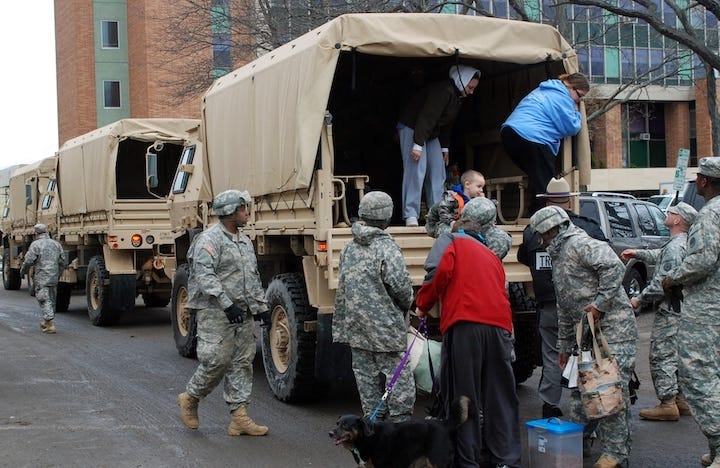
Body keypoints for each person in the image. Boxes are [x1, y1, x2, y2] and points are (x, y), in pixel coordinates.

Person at [416, 197, 521, 468]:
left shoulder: (452, 242)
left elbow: (439, 274)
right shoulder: (490, 252)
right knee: (500, 395)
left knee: (464, 395)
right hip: (499, 327)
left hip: (465, 326)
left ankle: (468, 460)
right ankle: (505, 459)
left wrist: (422, 306)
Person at [529, 206, 637, 468]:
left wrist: (600, 304)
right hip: (586, 335)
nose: (541, 241)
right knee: (582, 393)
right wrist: (565, 347)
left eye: (542, 235)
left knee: (609, 392)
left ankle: (616, 453)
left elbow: (613, 267)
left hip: (613, 331)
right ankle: (577, 442)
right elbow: (565, 307)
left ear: (552, 230)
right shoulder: (559, 256)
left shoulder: (580, 244)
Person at [177, 189, 270, 437]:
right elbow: (204, 276)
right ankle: (190, 397)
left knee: (242, 363)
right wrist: (226, 304)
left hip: (243, 312)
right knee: (216, 361)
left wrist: (261, 308)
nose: (247, 214)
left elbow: (252, 277)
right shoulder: (209, 240)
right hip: (217, 311)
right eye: (243, 209)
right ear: (230, 212)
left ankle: (239, 417)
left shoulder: (244, 240)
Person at [517, 177, 606, 419]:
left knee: (551, 355)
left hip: (548, 305)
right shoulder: (588, 227)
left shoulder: (531, 232)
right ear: (570, 201)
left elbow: (524, 258)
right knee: (588, 355)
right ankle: (589, 408)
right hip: (584, 307)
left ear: (546, 201)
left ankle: (549, 403)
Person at [333, 191, 415, 421]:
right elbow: (401, 289)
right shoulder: (386, 248)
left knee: (365, 375)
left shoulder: (349, 247)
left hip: (357, 326)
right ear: (387, 217)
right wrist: (407, 305)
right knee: (397, 376)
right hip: (386, 327)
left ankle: (374, 423)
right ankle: (400, 425)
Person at [661, 156, 720, 468]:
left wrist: (674, 277)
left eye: (699, 176)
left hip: (707, 309)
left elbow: (701, 261)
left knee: (698, 379)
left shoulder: (710, 215)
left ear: (704, 182)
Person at [621, 202, 697, 421]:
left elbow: (660, 284)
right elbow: (659, 255)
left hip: (671, 310)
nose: (667, 214)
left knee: (661, 356)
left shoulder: (675, 247)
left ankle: (667, 403)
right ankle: (680, 400)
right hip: (681, 310)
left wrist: (638, 300)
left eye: (671, 212)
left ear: (678, 220)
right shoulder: (681, 243)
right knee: (677, 356)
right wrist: (638, 253)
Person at [398, 64, 481, 226]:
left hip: (431, 132)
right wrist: (417, 144)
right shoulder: (443, 91)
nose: (471, 91)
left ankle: (436, 213)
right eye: (470, 87)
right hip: (413, 127)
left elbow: (446, 124)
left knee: (438, 171)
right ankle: (411, 214)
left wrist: (444, 147)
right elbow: (426, 117)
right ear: (462, 80)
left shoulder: (458, 96)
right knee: (416, 170)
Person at [500, 73, 589, 215]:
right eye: (580, 96)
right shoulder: (561, 97)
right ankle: (543, 217)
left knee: (537, 176)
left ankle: (533, 212)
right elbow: (572, 127)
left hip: (510, 133)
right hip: (533, 137)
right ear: (571, 87)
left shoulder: (543, 89)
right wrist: (578, 113)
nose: (579, 101)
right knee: (547, 184)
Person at [20, 223, 67, 334]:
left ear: (36, 233)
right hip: (54, 276)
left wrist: (22, 271)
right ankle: (47, 321)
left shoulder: (35, 245)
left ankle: (50, 323)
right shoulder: (56, 244)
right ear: (46, 232)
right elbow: (63, 261)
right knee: (51, 298)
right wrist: (58, 273)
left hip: (41, 276)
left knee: (43, 298)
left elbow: (28, 261)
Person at [425, 169, 485, 238]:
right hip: (442, 223)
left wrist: (483, 202)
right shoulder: (453, 197)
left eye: (482, 187)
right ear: (467, 185)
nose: (481, 190)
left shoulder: (475, 200)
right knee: (450, 233)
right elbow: (443, 211)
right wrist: (451, 222)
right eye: (479, 186)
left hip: (461, 225)